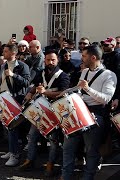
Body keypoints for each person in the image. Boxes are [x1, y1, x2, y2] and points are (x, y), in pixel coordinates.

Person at [61, 45, 117, 180]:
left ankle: (87, 177)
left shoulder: (109, 75)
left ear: (93, 57)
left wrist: (87, 89)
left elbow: (106, 99)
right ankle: (65, 176)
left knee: (91, 151)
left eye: (84, 56)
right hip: (78, 112)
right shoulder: (85, 71)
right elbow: (80, 89)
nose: (81, 58)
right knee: (68, 148)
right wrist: (66, 92)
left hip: (95, 115)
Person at [19, 50, 70, 176]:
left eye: (53, 60)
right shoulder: (41, 72)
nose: (50, 62)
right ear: (45, 60)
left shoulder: (63, 76)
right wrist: (31, 92)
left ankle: (50, 164)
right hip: (40, 109)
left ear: (57, 60)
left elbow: (63, 93)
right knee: (32, 136)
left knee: (53, 140)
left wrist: (46, 93)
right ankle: (30, 160)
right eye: (48, 60)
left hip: (54, 111)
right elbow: (35, 85)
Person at [0, 44, 30, 166]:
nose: (3, 52)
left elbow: (26, 83)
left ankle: (15, 154)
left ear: (13, 53)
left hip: (15, 99)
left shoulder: (23, 66)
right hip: (3, 99)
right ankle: (11, 150)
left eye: (6, 51)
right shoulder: (3, 66)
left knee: (13, 127)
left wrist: (13, 75)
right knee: (8, 126)